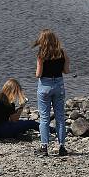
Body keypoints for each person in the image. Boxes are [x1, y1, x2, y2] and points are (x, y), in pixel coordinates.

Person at [33, 29, 70, 157]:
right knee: (60, 117)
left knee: (44, 118)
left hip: (45, 86)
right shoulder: (62, 52)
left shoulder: (41, 54)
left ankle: (44, 147)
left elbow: (38, 74)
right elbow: (66, 71)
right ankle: (62, 147)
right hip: (59, 85)